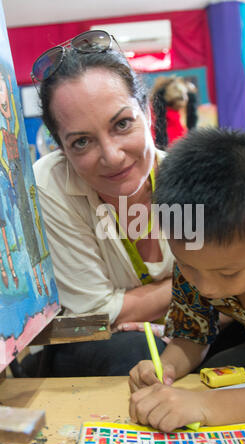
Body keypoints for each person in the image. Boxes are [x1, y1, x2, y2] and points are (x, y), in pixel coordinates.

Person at [22, 30, 175, 377]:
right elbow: (96, 312)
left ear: (148, 114)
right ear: (60, 149)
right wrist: (197, 285)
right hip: (98, 345)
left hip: (188, 332)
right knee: (134, 354)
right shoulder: (48, 186)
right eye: (81, 142)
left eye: (122, 124)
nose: (112, 156)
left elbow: (236, 289)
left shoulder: (195, 178)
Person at [129, 127, 245, 432]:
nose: (205, 287)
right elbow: (192, 335)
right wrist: (166, 369)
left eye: (228, 273)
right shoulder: (198, 258)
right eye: (188, 267)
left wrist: (207, 407)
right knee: (213, 370)